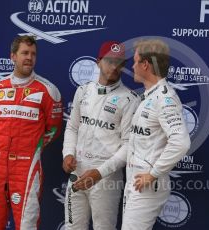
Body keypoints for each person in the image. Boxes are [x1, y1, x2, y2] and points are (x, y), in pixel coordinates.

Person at [73, 38, 191, 230]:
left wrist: (153, 174)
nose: (132, 66)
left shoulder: (165, 98)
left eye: (135, 62)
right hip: (136, 182)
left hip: (146, 185)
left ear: (146, 65)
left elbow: (181, 142)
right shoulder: (149, 96)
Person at [0, 35, 63, 229]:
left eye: (33, 54)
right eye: (25, 53)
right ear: (13, 56)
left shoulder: (48, 90)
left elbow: (53, 128)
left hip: (27, 166)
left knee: (27, 225)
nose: (29, 58)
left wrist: (32, 148)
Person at [62, 41, 140, 229]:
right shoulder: (83, 91)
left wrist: (99, 173)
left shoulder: (130, 99)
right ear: (98, 62)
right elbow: (72, 128)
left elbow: (129, 145)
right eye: (110, 61)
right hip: (77, 173)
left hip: (106, 179)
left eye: (119, 62)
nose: (114, 67)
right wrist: (67, 154)